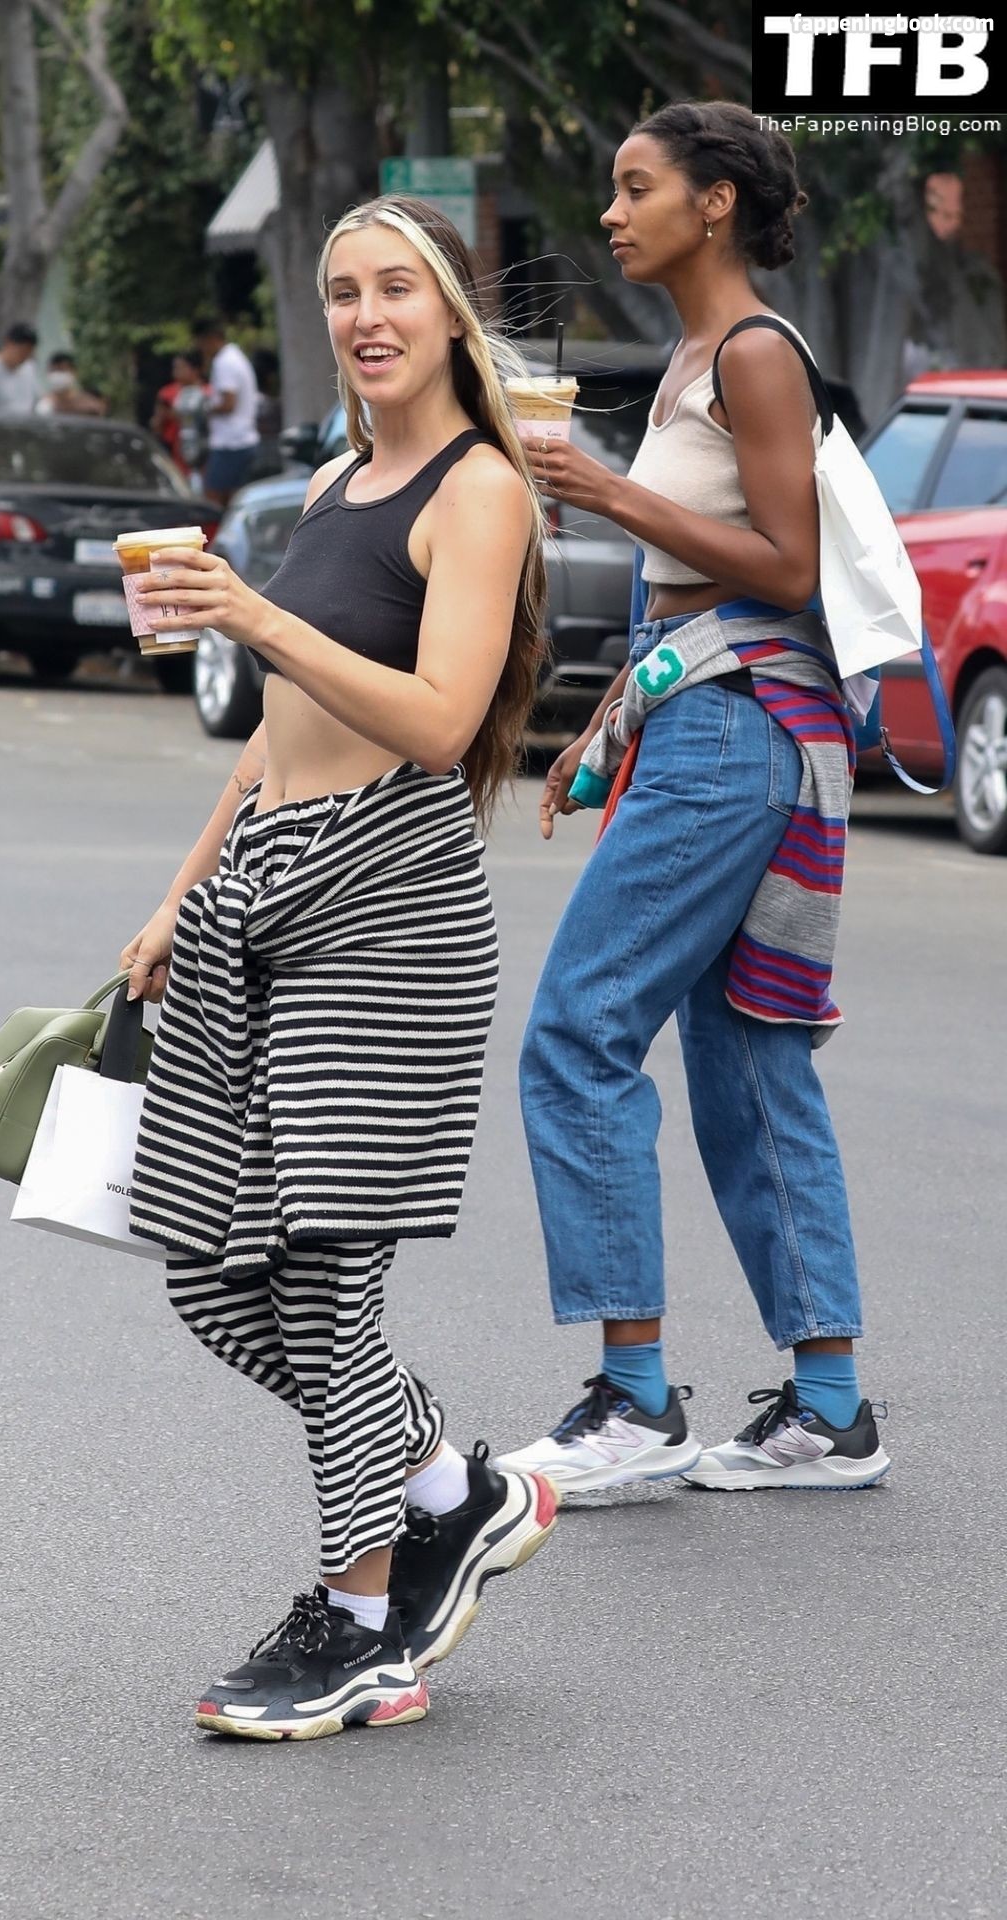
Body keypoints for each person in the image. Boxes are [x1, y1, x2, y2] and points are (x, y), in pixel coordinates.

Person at [118, 195, 557, 1740]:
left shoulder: (479, 492)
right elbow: (276, 735)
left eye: (396, 289)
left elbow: (440, 721)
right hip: (265, 895)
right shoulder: (330, 483)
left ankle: (364, 1627)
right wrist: (179, 895)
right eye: (342, 291)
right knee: (206, 1260)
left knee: (319, 1278)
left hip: (389, 912)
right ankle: (448, 1483)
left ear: (450, 313)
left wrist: (250, 610)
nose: (367, 316)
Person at [498, 101, 891, 1497]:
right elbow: (691, 593)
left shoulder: (754, 355)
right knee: (747, 1062)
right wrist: (605, 726)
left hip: (740, 732)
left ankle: (634, 1400)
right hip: (704, 718)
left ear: (714, 202)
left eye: (636, 186)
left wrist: (605, 493)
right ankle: (828, 1409)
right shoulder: (686, 361)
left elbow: (782, 565)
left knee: (578, 1030)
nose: (611, 213)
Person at [192, 314, 260, 505]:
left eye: (201, 343)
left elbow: (228, 403)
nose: (201, 349)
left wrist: (205, 408)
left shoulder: (224, 362)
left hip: (230, 442)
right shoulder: (235, 356)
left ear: (211, 338)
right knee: (233, 497)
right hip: (242, 438)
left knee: (213, 495)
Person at [151, 350, 210, 477]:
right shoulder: (167, 393)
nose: (176, 372)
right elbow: (157, 426)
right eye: (175, 367)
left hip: (203, 454)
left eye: (181, 367)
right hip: (176, 455)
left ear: (195, 370)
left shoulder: (208, 392)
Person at [35, 351, 107, 417]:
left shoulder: (89, 403)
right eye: (54, 370)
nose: (58, 374)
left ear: (74, 372)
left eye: (62, 370)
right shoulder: (43, 404)